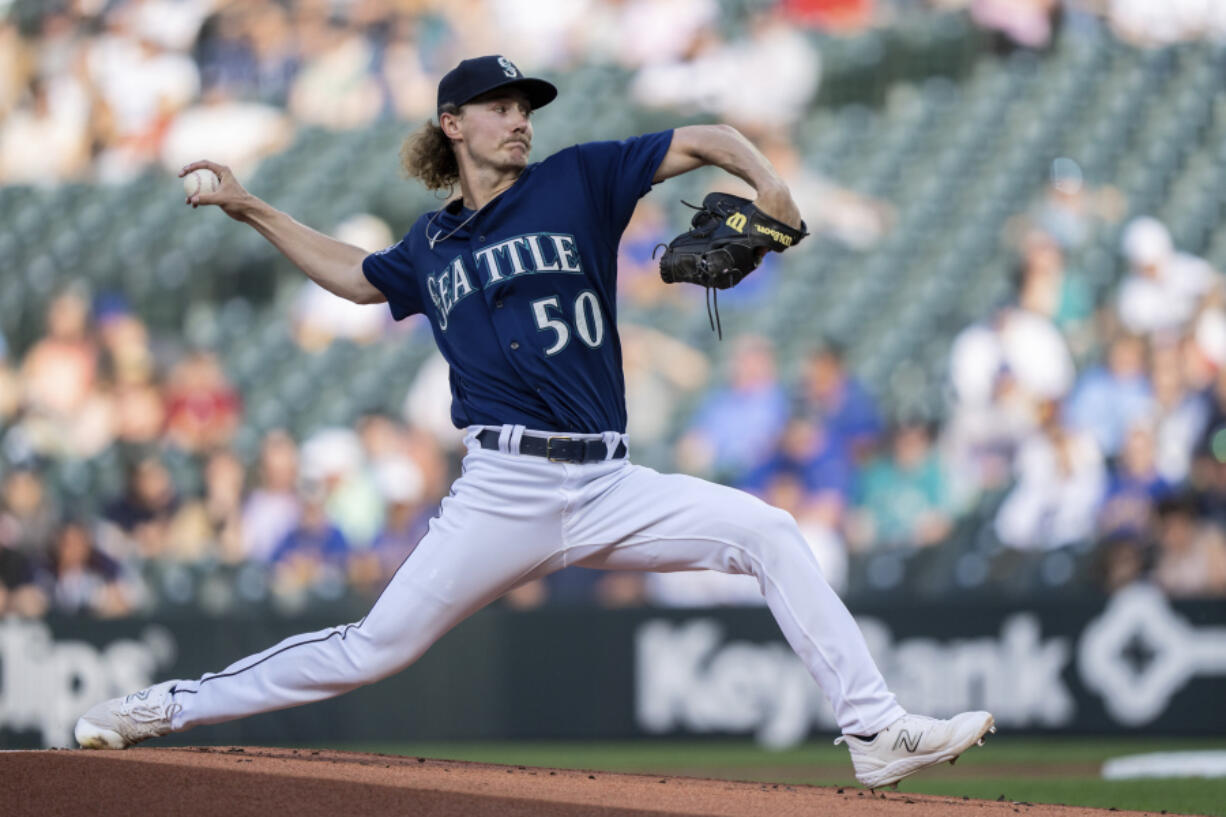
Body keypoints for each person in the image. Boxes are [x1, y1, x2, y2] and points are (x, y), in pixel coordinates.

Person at [74, 55, 993, 789]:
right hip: (502, 488)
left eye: (525, 105)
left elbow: (705, 136)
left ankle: (873, 729)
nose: (519, 118)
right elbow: (358, 277)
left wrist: (770, 185)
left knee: (771, 532)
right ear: (453, 124)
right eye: (499, 105)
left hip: (608, 480)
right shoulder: (429, 246)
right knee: (372, 647)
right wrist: (249, 206)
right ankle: (164, 706)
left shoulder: (580, 178)